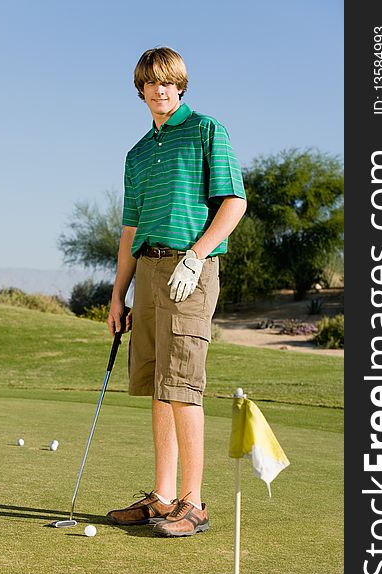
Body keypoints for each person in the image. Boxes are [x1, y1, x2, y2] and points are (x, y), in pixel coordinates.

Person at [106, 47, 247, 537]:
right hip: (147, 270)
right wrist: (116, 293)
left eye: (170, 81)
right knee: (157, 386)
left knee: (183, 384)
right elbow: (129, 230)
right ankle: (163, 497)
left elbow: (234, 202)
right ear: (140, 89)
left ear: (180, 86)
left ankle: (193, 502)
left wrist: (196, 255)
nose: (161, 89)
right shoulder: (138, 153)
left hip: (191, 268)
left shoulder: (208, 130)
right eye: (152, 82)